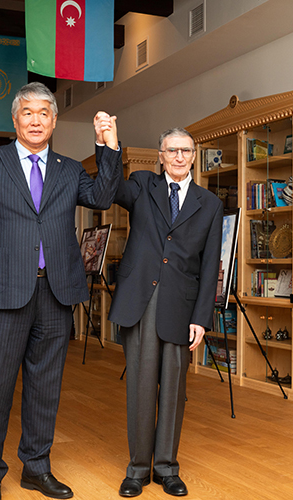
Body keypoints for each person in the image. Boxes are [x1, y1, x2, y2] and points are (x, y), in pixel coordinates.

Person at [0, 82, 121, 500]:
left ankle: (36, 468)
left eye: (45, 112)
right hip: (2, 292)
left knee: (45, 387)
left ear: (55, 121)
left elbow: (102, 197)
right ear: (15, 120)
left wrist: (108, 146)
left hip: (56, 292)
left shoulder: (68, 169)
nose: (36, 120)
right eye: (28, 112)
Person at [107, 128, 222, 497]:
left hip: (182, 306)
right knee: (141, 388)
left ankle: (167, 468)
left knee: (174, 390)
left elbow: (210, 266)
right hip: (141, 299)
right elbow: (112, 189)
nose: (179, 156)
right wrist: (110, 147)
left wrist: (201, 318)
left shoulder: (210, 203)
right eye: (171, 150)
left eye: (185, 150)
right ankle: (138, 469)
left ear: (194, 156)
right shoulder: (142, 185)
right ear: (160, 155)